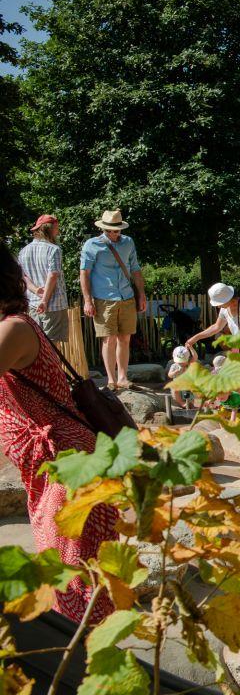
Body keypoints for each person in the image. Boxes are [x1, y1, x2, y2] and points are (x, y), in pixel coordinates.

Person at [0, 247, 116, 622]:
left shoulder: (13, 330)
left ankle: (84, 664)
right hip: (52, 467)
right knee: (69, 574)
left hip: (67, 466)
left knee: (71, 579)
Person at [80, 209, 146, 390]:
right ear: (103, 228)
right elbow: (84, 273)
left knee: (125, 338)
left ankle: (123, 377)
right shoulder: (92, 245)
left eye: (116, 230)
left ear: (121, 228)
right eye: (109, 230)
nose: (113, 233)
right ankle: (111, 379)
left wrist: (141, 294)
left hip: (127, 296)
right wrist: (87, 300)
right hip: (103, 298)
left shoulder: (128, 242)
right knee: (109, 339)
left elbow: (136, 270)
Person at [186, 283, 240, 426]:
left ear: (228, 298)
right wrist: (196, 337)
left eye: (219, 303)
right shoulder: (225, 309)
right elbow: (216, 327)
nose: (217, 306)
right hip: (239, 349)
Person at [18, 215, 69, 343]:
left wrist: (36, 291)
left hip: (33, 304)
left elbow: (23, 276)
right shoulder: (54, 249)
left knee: (38, 345)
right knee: (52, 347)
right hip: (54, 305)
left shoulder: (23, 251)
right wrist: (45, 300)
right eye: (57, 228)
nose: (58, 232)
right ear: (50, 229)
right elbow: (53, 275)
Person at [167, 344, 197, 409]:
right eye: (179, 362)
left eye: (183, 362)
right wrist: (175, 372)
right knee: (175, 390)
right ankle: (182, 403)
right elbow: (169, 375)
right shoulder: (174, 366)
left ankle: (192, 403)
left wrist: (191, 348)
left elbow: (195, 357)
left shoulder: (189, 364)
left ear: (188, 359)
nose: (181, 363)